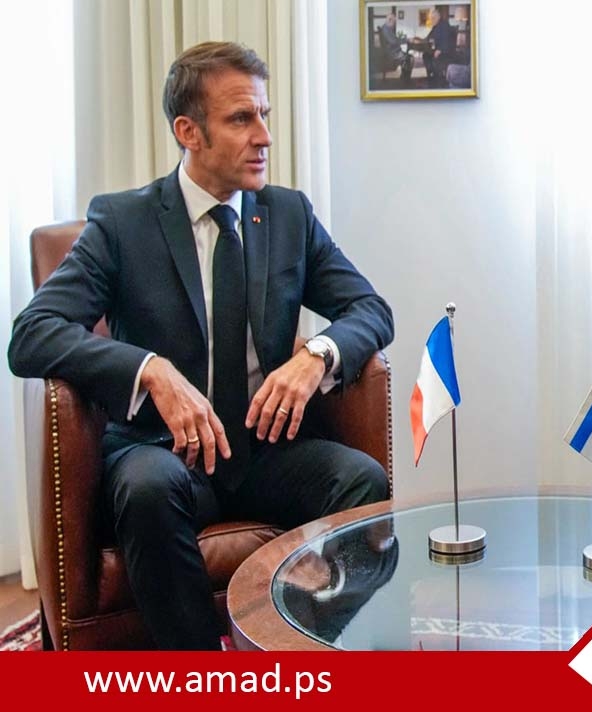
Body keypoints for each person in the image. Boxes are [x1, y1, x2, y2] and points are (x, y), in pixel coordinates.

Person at [9, 41, 395, 650]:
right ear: (188, 131)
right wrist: (149, 369)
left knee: (362, 480)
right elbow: (32, 334)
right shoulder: (122, 223)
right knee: (146, 489)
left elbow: (371, 310)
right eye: (242, 118)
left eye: (264, 114)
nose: (264, 136)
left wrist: (315, 355)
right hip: (162, 452)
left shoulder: (288, 216)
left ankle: (300, 649)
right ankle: (201, 674)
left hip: (266, 447)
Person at [378, 8, 415, 87]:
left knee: (408, 57)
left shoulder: (386, 28)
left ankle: (404, 77)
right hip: (392, 53)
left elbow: (395, 40)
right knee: (410, 58)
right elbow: (394, 41)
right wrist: (407, 40)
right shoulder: (386, 30)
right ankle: (406, 80)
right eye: (394, 22)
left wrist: (405, 39)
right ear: (390, 20)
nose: (394, 24)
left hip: (393, 51)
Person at [425, 6, 457, 88]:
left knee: (434, 59)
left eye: (433, 18)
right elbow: (428, 37)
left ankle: (439, 80)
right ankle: (431, 76)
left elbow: (448, 40)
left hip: (446, 53)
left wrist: (440, 50)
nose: (432, 20)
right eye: (431, 19)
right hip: (437, 50)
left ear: (438, 17)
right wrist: (422, 40)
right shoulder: (435, 26)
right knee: (425, 55)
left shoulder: (444, 25)